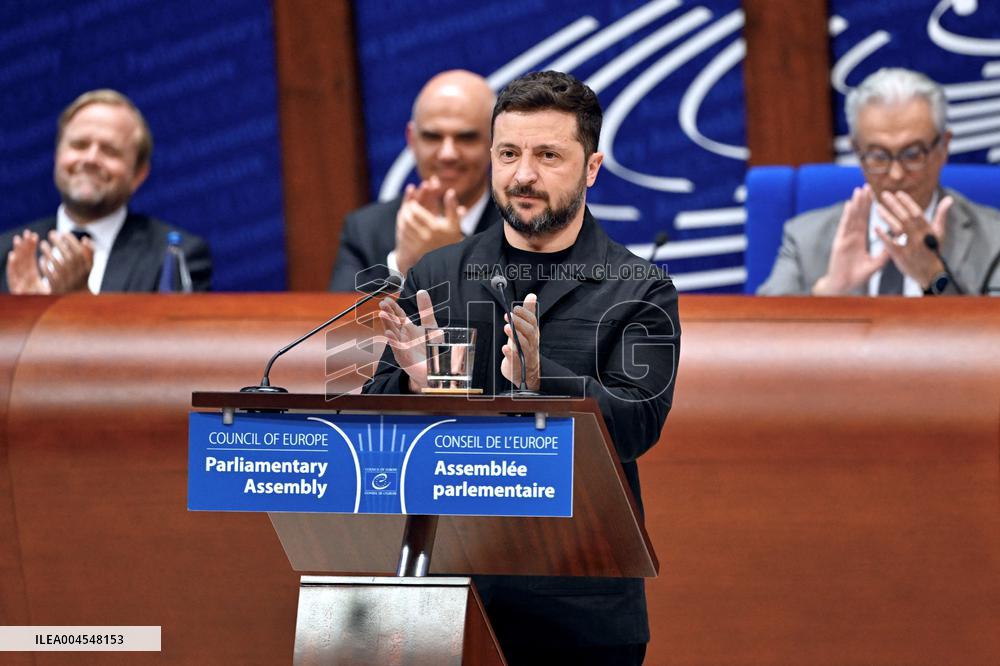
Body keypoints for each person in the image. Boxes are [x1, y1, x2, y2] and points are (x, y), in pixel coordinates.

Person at [367, 70, 679, 665]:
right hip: (449, 591)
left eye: (547, 155)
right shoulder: (438, 275)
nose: (523, 174)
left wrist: (545, 381)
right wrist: (410, 383)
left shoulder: (640, 288)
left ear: (591, 168)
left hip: (582, 606)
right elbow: (375, 424)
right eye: (508, 153)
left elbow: (639, 423)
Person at [757, 68, 1000, 296]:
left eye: (912, 154)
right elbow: (762, 334)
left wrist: (934, 278)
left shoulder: (993, 239)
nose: (895, 174)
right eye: (878, 155)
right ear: (857, 151)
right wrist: (829, 293)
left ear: (943, 147)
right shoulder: (804, 239)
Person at [1, 89, 211, 294]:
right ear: (57, 155)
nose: (90, 159)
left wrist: (80, 302)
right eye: (79, 145)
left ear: (139, 174)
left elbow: (170, 330)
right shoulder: (5, 251)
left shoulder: (174, 257)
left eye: (110, 151)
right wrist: (24, 315)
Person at [329, 69, 501, 292]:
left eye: (466, 137)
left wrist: (455, 259)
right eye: (433, 137)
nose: (447, 153)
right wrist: (403, 265)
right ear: (412, 139)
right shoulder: (365, 230)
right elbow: (342, 322)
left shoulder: (523, 226)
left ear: (495, 142)